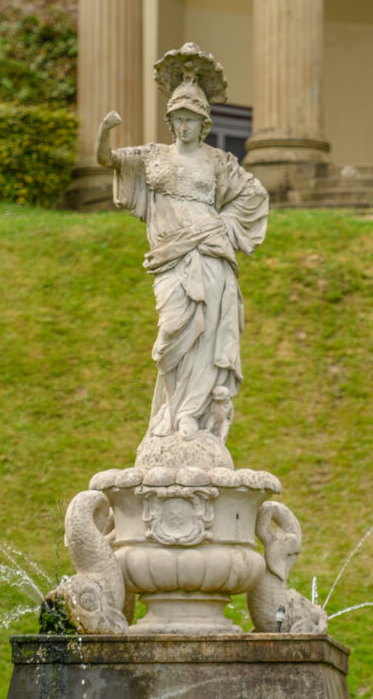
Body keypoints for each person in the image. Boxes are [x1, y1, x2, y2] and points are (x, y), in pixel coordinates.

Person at [96, 43, 269, 445]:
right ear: (170, 122)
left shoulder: (218, 162)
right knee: (172, 334)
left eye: (192, 119)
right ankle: (171, 414)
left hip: (210, 255)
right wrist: (105, 131)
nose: (185, 126)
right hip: (169, 259)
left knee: (206, 338)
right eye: (179, 119)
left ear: (203, 124)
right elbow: (107, 160)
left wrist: (223, 225)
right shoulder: (152, 156)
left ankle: (191, 416)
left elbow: (254, 195)